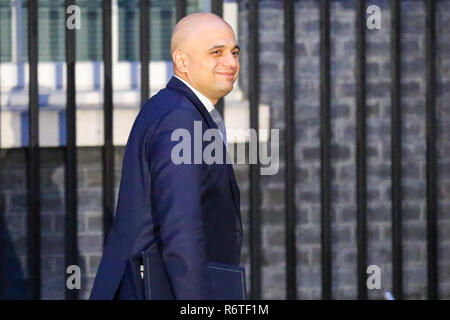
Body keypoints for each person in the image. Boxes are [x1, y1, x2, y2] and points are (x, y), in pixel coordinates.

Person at [89, 12, 243, 300]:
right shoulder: (180, 118)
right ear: (182, 61)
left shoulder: (175, 108)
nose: (231, 62)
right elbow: (180, 228)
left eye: (234, 52)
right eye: (216, 52)